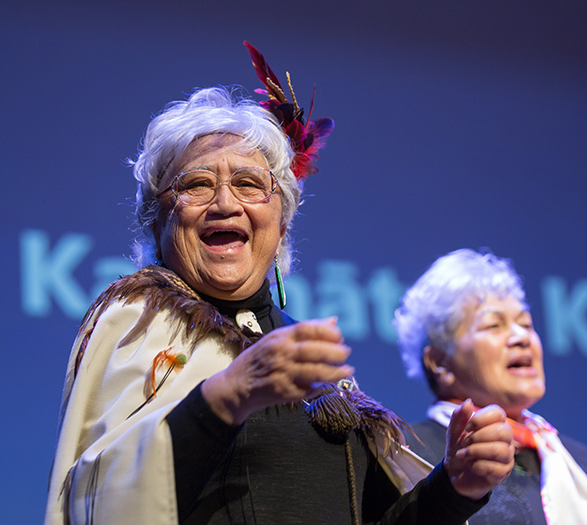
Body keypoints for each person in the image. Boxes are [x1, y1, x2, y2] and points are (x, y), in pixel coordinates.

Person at [45, 44, 514, 524]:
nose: (225, 203)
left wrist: (455, 487)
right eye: (196, 184)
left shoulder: (309, 361)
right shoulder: (137, 318)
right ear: (156, 220)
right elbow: (101, 494)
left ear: (282, 223)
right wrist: (228, 395)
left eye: (249, 184)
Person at [394, 248, 587, 525]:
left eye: (526, 323)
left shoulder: (577, 460)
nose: (521, 337)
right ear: (439, 363)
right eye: (494, 325)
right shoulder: (406, 453)